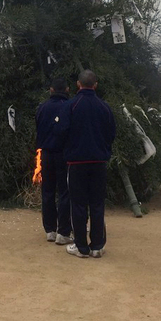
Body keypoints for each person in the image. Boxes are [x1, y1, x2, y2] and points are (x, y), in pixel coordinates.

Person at [55, 70, 116, 259]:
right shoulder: (104, 107)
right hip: (99, 161)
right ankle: (97, 245)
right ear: (95, 85)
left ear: (78, 85)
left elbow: (60, 131)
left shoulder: (71, 106)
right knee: (97, 203)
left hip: (76, 161)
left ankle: (81, 246)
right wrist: (103, 149)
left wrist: (67, 149)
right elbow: (111, 133)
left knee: (78, 204)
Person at [35, 77, 71, 244]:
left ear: (50, 90)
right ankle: (63, 231)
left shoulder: (42, 108)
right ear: (67, 89)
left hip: (46, 154)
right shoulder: (69, 107)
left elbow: (38, 128)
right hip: (65, 154)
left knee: (48, 191)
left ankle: (49, 229)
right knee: (65, 192)